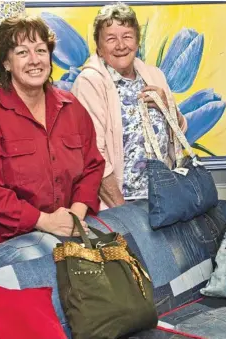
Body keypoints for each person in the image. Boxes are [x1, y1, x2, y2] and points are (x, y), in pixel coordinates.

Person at [0, 16, 105, 260]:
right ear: (6, 63)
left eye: (41, 50)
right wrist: (45, 221)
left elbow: (93, 166)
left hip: (55, 239)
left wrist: (75, 215)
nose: (35, 60)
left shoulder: (72, 107)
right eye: (22, 52)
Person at [71, 2, 187, 209]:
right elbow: (92, 156)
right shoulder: (89, 82)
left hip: (163, 200)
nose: (121, 45)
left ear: (137, 41)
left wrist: (168, 108)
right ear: (98, 46)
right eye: (111, 38)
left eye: (127, 36)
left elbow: (180, 134)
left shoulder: (155, 75)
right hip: (117, 204)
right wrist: (123, 212)